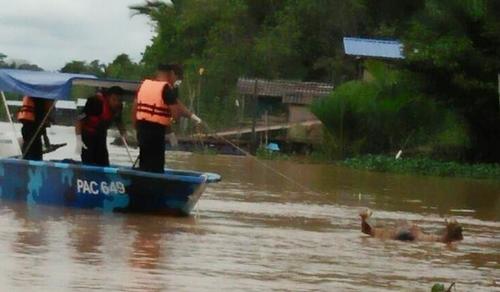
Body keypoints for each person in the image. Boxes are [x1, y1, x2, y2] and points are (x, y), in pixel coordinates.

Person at [133, 64, 202, 173]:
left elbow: (135, 107)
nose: (176, 81)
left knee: (145, 161)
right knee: (156, 164)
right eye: (177, 78)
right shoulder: (166, 88)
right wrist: (172, 127)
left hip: (141, 129)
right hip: (156, 131)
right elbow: (176, 112)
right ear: (172, 74)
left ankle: (142, 180)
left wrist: (192, 116)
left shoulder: (144, 85)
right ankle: (155, 183)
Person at [75, 86, 125, 166]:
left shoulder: (118, 107)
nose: (117, 103)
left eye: (119, 100)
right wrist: (78, 140)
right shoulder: (96, 103)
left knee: (103, 161)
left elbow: (119, 122)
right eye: (114, 99)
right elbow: (79, 119)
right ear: (108, 98)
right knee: (89, 162)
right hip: (88, 136)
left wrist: (124, 134)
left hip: (101, 135)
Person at [17, 96, 54, 160]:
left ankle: (26, 160)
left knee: (28, 149)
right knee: (33, 153)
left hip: (28, 129)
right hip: (33, 131)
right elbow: (40, 120)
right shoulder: (39, 98)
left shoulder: (33, 95)